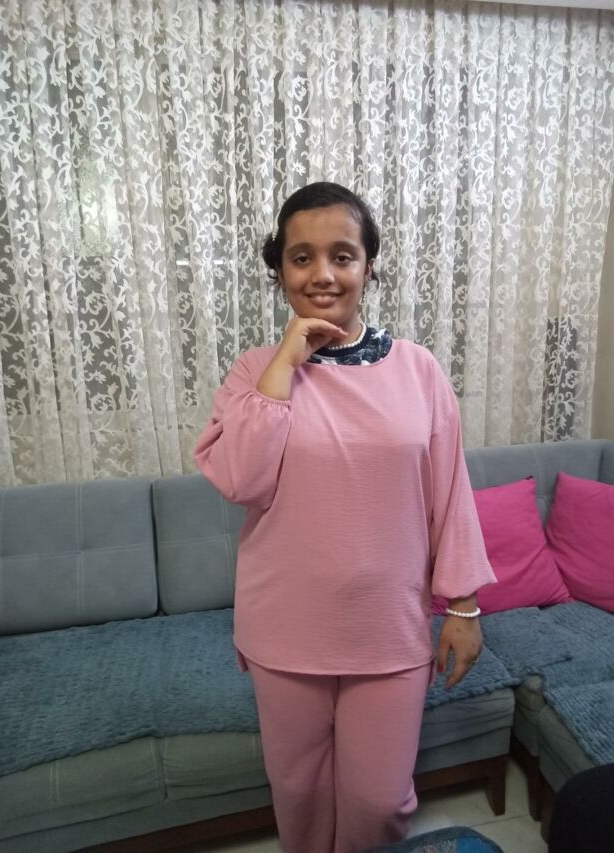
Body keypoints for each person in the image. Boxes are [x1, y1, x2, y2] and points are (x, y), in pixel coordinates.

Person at [193, 182, 496, 853]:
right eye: (301, 257)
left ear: (369, 267)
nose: (322, 274)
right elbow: (241, 478)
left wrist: (464, 606)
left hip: (388, 629)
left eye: (342, 255)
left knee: (378, 800)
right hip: (285, 629)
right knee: (299, 792)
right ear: (279, 271)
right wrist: (286, 361)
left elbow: (450, 494)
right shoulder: (253, 372)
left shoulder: (418, 371)